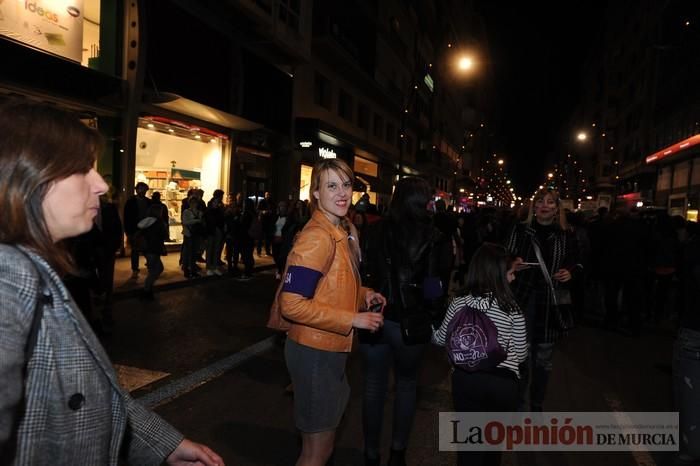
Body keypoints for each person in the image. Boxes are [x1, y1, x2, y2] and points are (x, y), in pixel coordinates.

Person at [0, 99, 223, 465]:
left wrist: (163, 443)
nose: (101, 184)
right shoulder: (9, 273)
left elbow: (87, 389)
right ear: (30, 177)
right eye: (82, 170)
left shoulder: (33, 264)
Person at [278, 158, 386, 466]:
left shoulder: (339, 229)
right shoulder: (317, 237)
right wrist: (353, 319)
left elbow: (331, 285)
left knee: (322, 447)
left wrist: (365, 296)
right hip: (315, 354)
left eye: (346, 185)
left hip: (327, 349)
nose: (341, 193)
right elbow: (292, 303)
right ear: (315, 193)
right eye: (331, 186)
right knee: (316, 452)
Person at [359, 176, 449, 466]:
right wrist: (435, 316)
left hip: (374, 317)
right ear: (420, 201)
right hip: (410, 324)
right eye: (429, 198)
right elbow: (434, 287)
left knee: (373, 386)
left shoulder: (373, 231)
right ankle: (397, 454)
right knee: (407, 386)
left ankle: (371, 454)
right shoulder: (433, 236)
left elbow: (364, 272)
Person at [432, 243, 528, 466]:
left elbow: (440, 339)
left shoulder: (459, 302)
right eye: (511, 273)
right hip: (503, 384)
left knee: (469, 448)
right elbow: (522, 354)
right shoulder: (513, 308)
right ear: (498, 275)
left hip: (467, 380)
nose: (513, 278)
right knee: (493, 448)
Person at [505, 188, 581, 412]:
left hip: (551, 302)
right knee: (521, 354)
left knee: (544, 359)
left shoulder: (566, 233)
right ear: (533, 206)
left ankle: (537, 401)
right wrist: (512, 262)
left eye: (550, 202)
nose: (545, 205)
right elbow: (502, 255)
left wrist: (570, 272)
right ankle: (519, 402)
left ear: (557, 208)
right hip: (522, 299)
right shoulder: (520, 229)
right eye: (540, 201)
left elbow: (577, 262)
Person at [137, 204, 168, 299]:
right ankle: (147, 291)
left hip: (148, 249)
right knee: (156, 270)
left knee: (155, 270)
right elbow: (162, 235)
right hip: (154, 248)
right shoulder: (158, 222)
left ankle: (148, 290)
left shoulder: (147, 221)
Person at [123, 181, 150, 278]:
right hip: (134, 228)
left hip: (146, 228)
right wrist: (128, 231)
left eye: (144, 190)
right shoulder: (131, 202)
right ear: (137, 190)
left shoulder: (148, 201)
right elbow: (127, 217)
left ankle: (149, 263)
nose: (143, 191)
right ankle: (135, 267)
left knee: (146, 247)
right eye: (141, 189)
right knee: (135, 249)